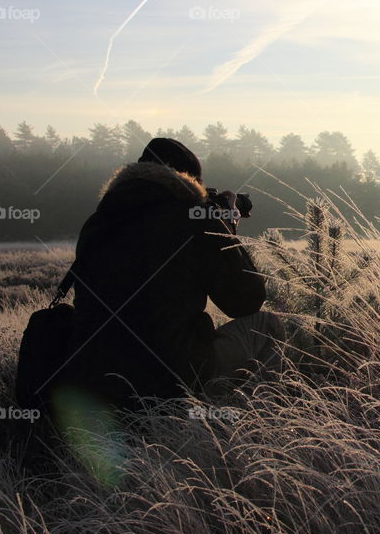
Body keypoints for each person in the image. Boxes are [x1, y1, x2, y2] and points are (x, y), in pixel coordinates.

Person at [56, 137, 283, 413]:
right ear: (189, 182)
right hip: (170, 381)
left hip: (93, 383)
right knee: (267, 325)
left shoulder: (98, 222)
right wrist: (226, 229)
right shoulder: (193, 218)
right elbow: (245, 301)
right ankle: (249, 424)